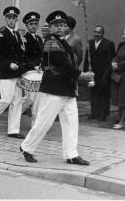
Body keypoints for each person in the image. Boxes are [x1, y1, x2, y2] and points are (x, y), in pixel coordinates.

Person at [20, 10, 94, 165]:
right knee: (44, 121)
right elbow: (61, 64)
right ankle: (27, 147)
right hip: (54, 88)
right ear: (50, 27)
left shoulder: (62, 41)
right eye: (56, 25)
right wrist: (81, 75)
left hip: (67, 89)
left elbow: (70, 63)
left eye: (62, 25)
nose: (60, 28)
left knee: (71, 122)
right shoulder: (51, 42)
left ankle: (71, 154)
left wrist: (81, 74)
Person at [0, 6, 26, 138]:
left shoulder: (18, 35)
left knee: (17, 101)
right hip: (6, 73)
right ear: (5, 19)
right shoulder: (2, 34)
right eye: (9, 18)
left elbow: (20, 54)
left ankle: (13, 130)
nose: (11, 20)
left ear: (17, 19)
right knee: (5, 100)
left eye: (14, 18)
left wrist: (21, 68)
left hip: (17, 73)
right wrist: (9, 64)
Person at [84, 26, 115, 121]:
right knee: (93, 94)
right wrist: (86, 73)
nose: (97, 34)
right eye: (95, 32)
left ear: (103, 33)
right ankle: (94, 113)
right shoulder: (90, 43)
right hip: (92, 73)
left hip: (104, 74)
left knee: (103, 95)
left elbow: (110, 60)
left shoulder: (109, 44)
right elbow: (86, 60)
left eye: (99, 32)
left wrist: (107, 74)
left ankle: (103, 114)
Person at [20, 11, 44, 126]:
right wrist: (33, 65)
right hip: (29, 71)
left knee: (38, 100)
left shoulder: (39, 39)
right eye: (31, 24)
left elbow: (41, 56)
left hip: (39, 72)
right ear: (26, 26)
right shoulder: (24, 39)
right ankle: (16, 111)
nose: (34, 26)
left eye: (35, 23)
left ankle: (36, 125)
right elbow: (23, 57)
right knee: (30, 99)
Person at [111, 28, 125, 129]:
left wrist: (118, 66)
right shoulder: (122, 45)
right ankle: (121, 119)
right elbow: (116, 56)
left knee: (124, 100)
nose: (124, 35)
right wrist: (113, 63)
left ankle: (122, 122)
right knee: (120, 99)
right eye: (124, 33)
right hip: (120, 76)